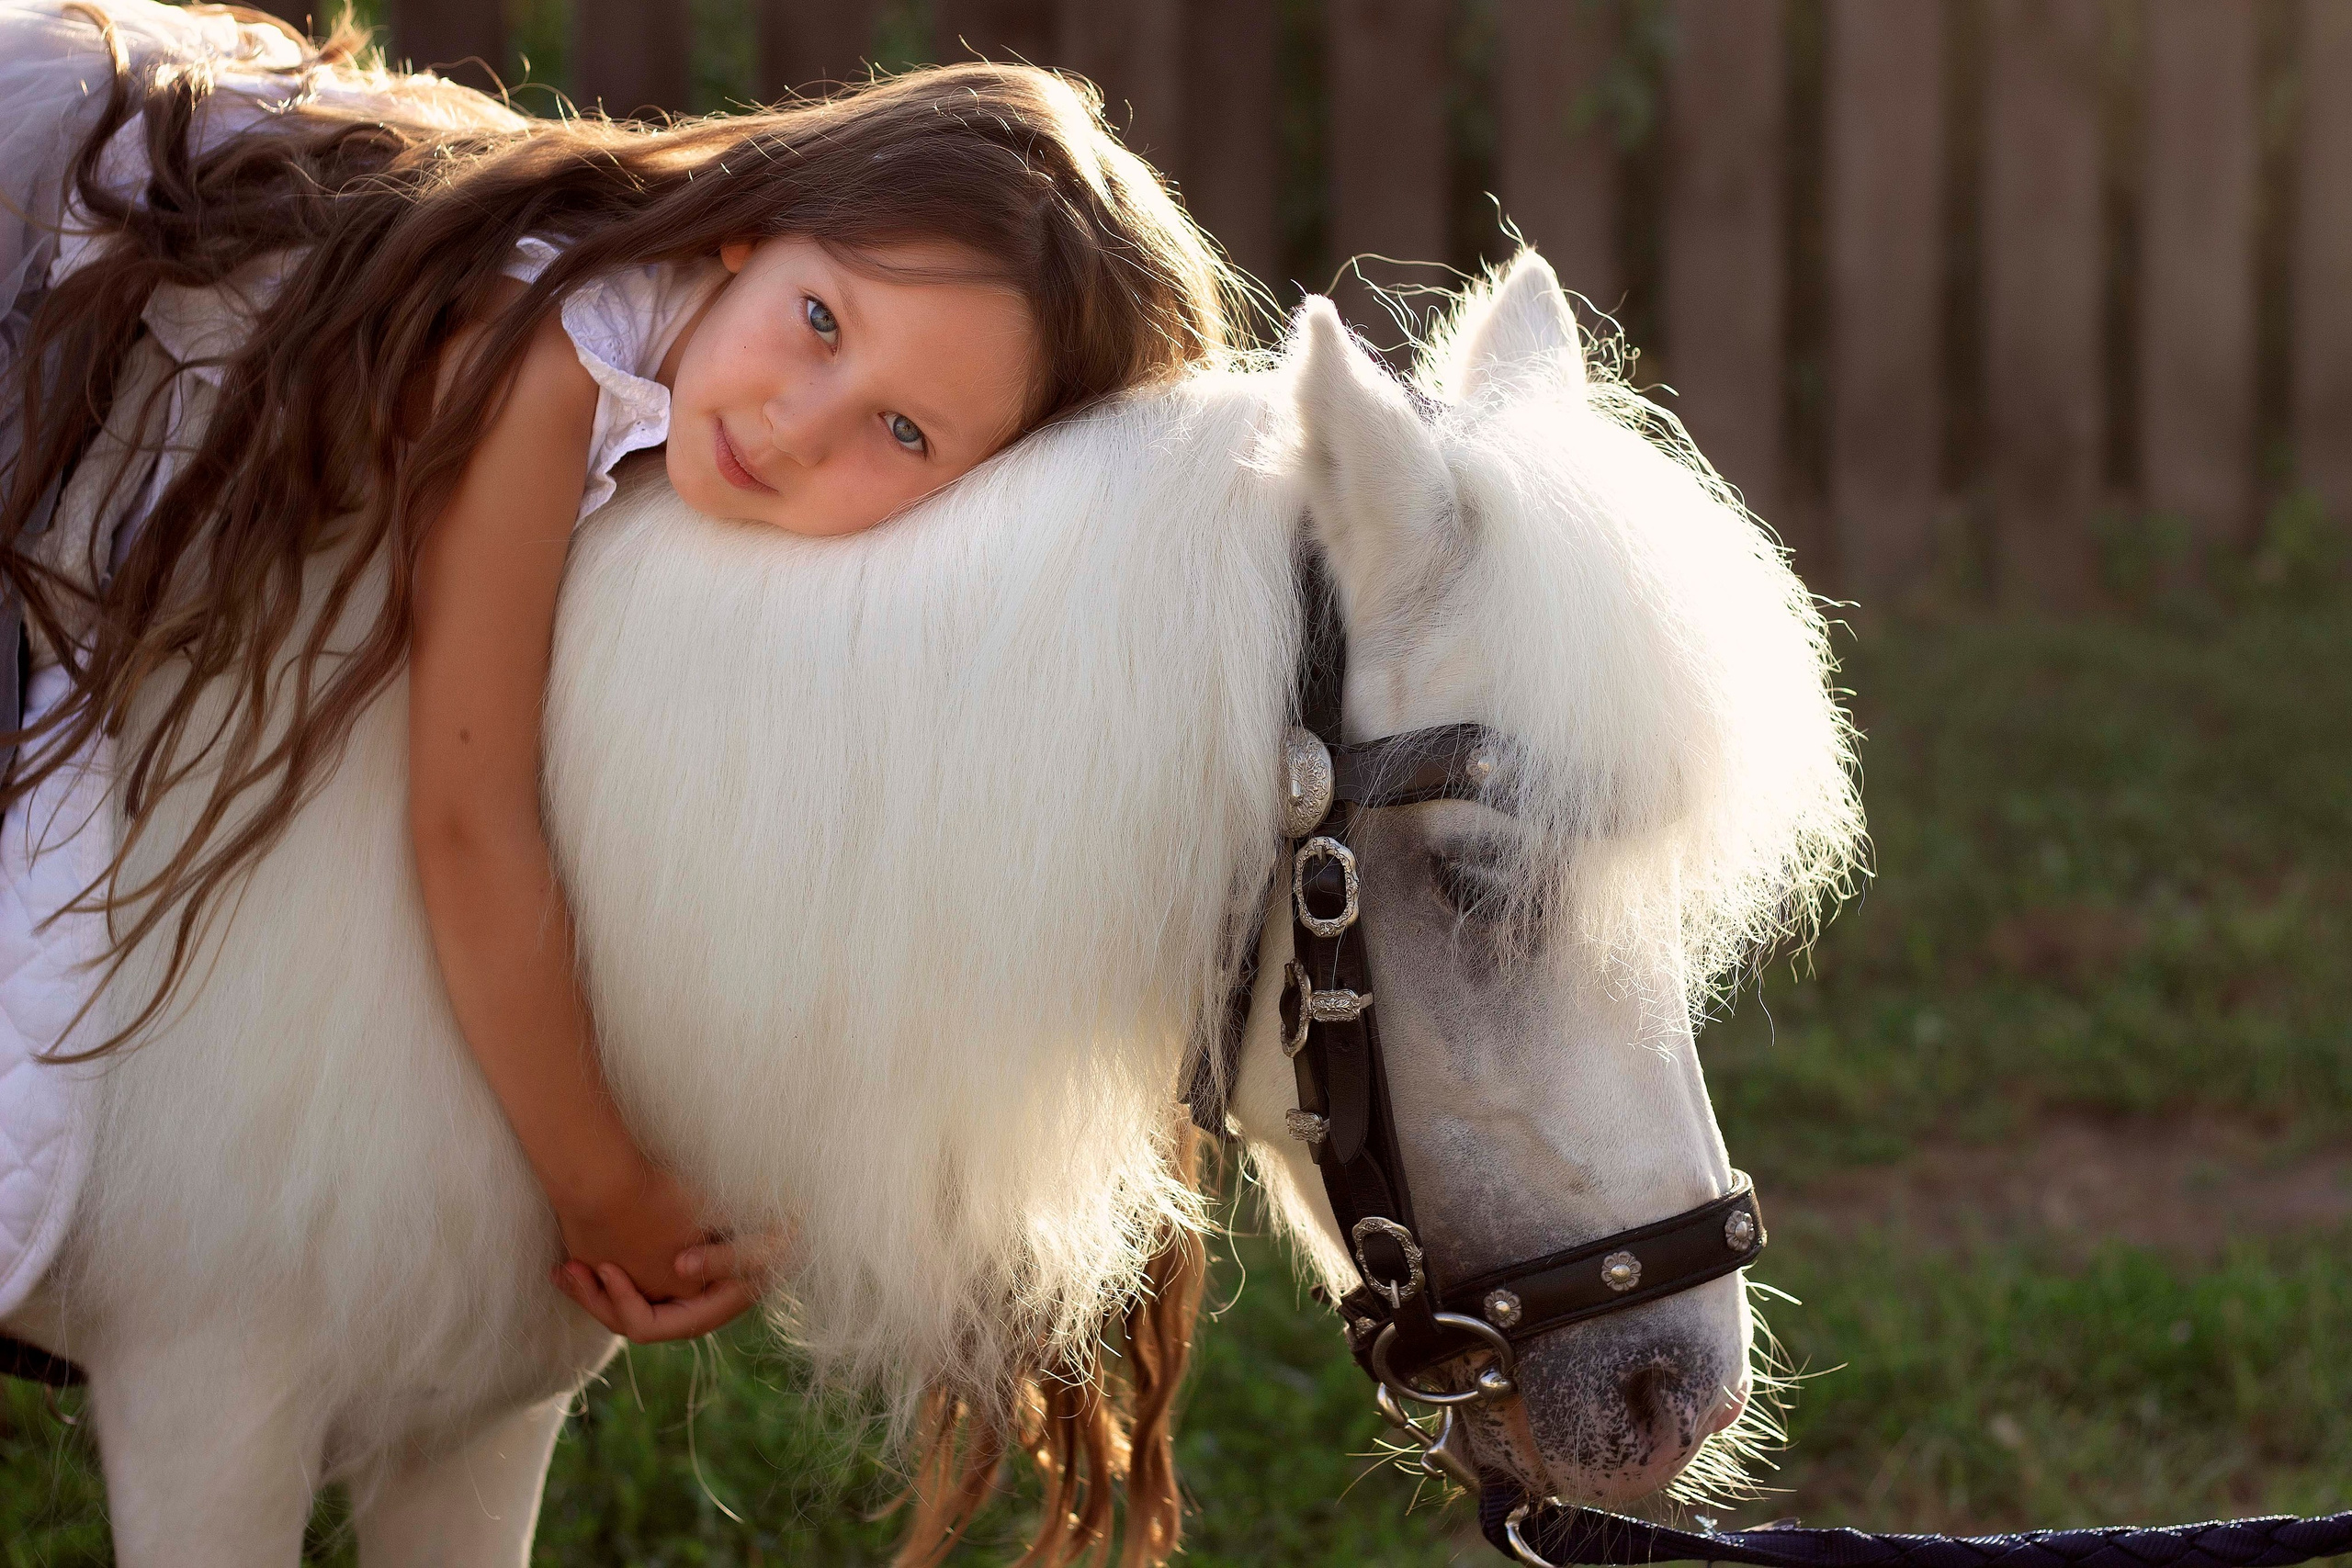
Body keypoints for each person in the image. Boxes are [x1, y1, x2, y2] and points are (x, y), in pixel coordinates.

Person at [0, 0, 1240, 1347]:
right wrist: (603, 1189)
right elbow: (467, 823)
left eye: (901, 430)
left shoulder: (739, 389)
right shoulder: (541, 364)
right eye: (821, 320)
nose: (798, 426)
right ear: (756, 227)